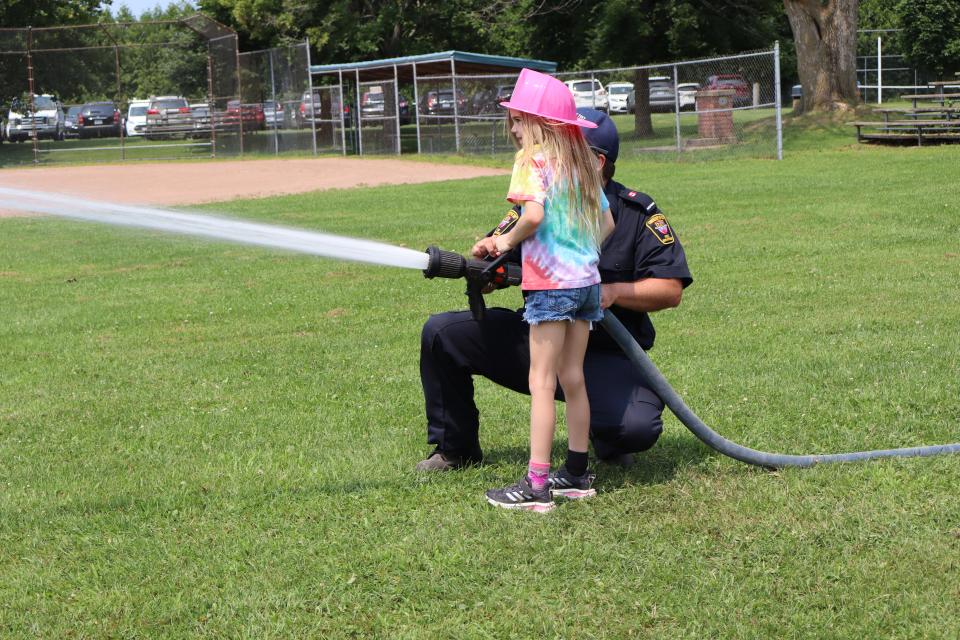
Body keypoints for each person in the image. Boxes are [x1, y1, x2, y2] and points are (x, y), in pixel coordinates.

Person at [416, 103, 693, 478]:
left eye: (556, 144)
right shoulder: (538, 202)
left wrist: (609, 292)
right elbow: (502, 253)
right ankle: (455, 449)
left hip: (606, 355)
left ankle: (603, 438)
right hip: (540, 336)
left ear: (594, 162)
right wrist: (485, 263)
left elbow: (669, 289)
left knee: (634, 427)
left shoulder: (636, 213)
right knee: (443, 334)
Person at [474, 69, 615, 511]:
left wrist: (504, 241)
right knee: (573, 377)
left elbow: (532, 216)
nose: (514, 129)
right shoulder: (580, 162)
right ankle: (576, 473)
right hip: (586, 285)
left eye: (519, 120)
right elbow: (607, 224)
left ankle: (536, 486)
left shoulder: (532, 160)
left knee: (541, 381)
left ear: (541, 124)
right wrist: (580, 255)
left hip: (551, 287)